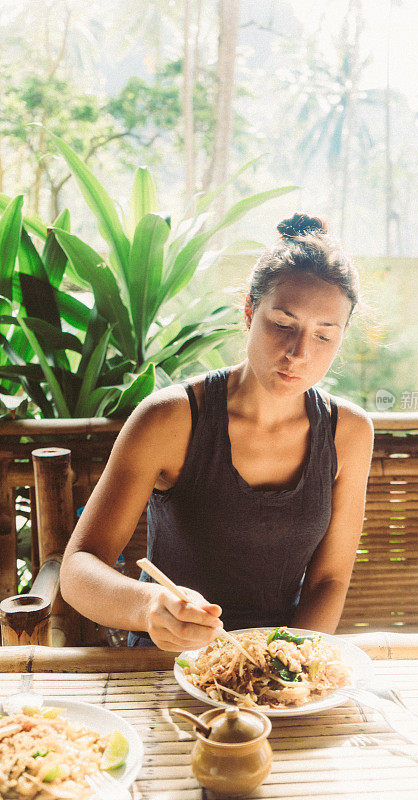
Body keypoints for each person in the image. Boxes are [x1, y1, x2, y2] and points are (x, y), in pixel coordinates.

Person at [60, 212, 374, 652]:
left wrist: (286, 666)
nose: (299, 353)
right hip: (164, 666)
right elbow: (77, 568)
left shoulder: (349, 433)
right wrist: (150, 606)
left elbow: (329, 579)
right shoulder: (170, 419)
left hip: (281, 668)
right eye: (283, 324)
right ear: (249, 312)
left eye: (324, 335)